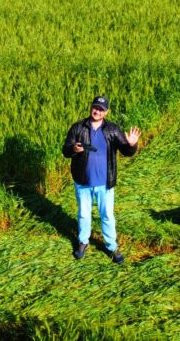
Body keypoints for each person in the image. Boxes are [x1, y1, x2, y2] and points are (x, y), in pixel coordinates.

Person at [62, 96, 141, 263]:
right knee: (84, 214)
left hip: (105, 184)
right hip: (83, 182)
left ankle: (111, 246)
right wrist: (74, 149)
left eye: (101, 109)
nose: (97, 111)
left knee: (107, 216)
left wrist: (132, 144)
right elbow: (65, 150)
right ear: (91, 107)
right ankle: (83, 242)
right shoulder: (78, 128)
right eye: (95, 107)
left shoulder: (112, 129)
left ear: (106, 112)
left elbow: (126, 151)